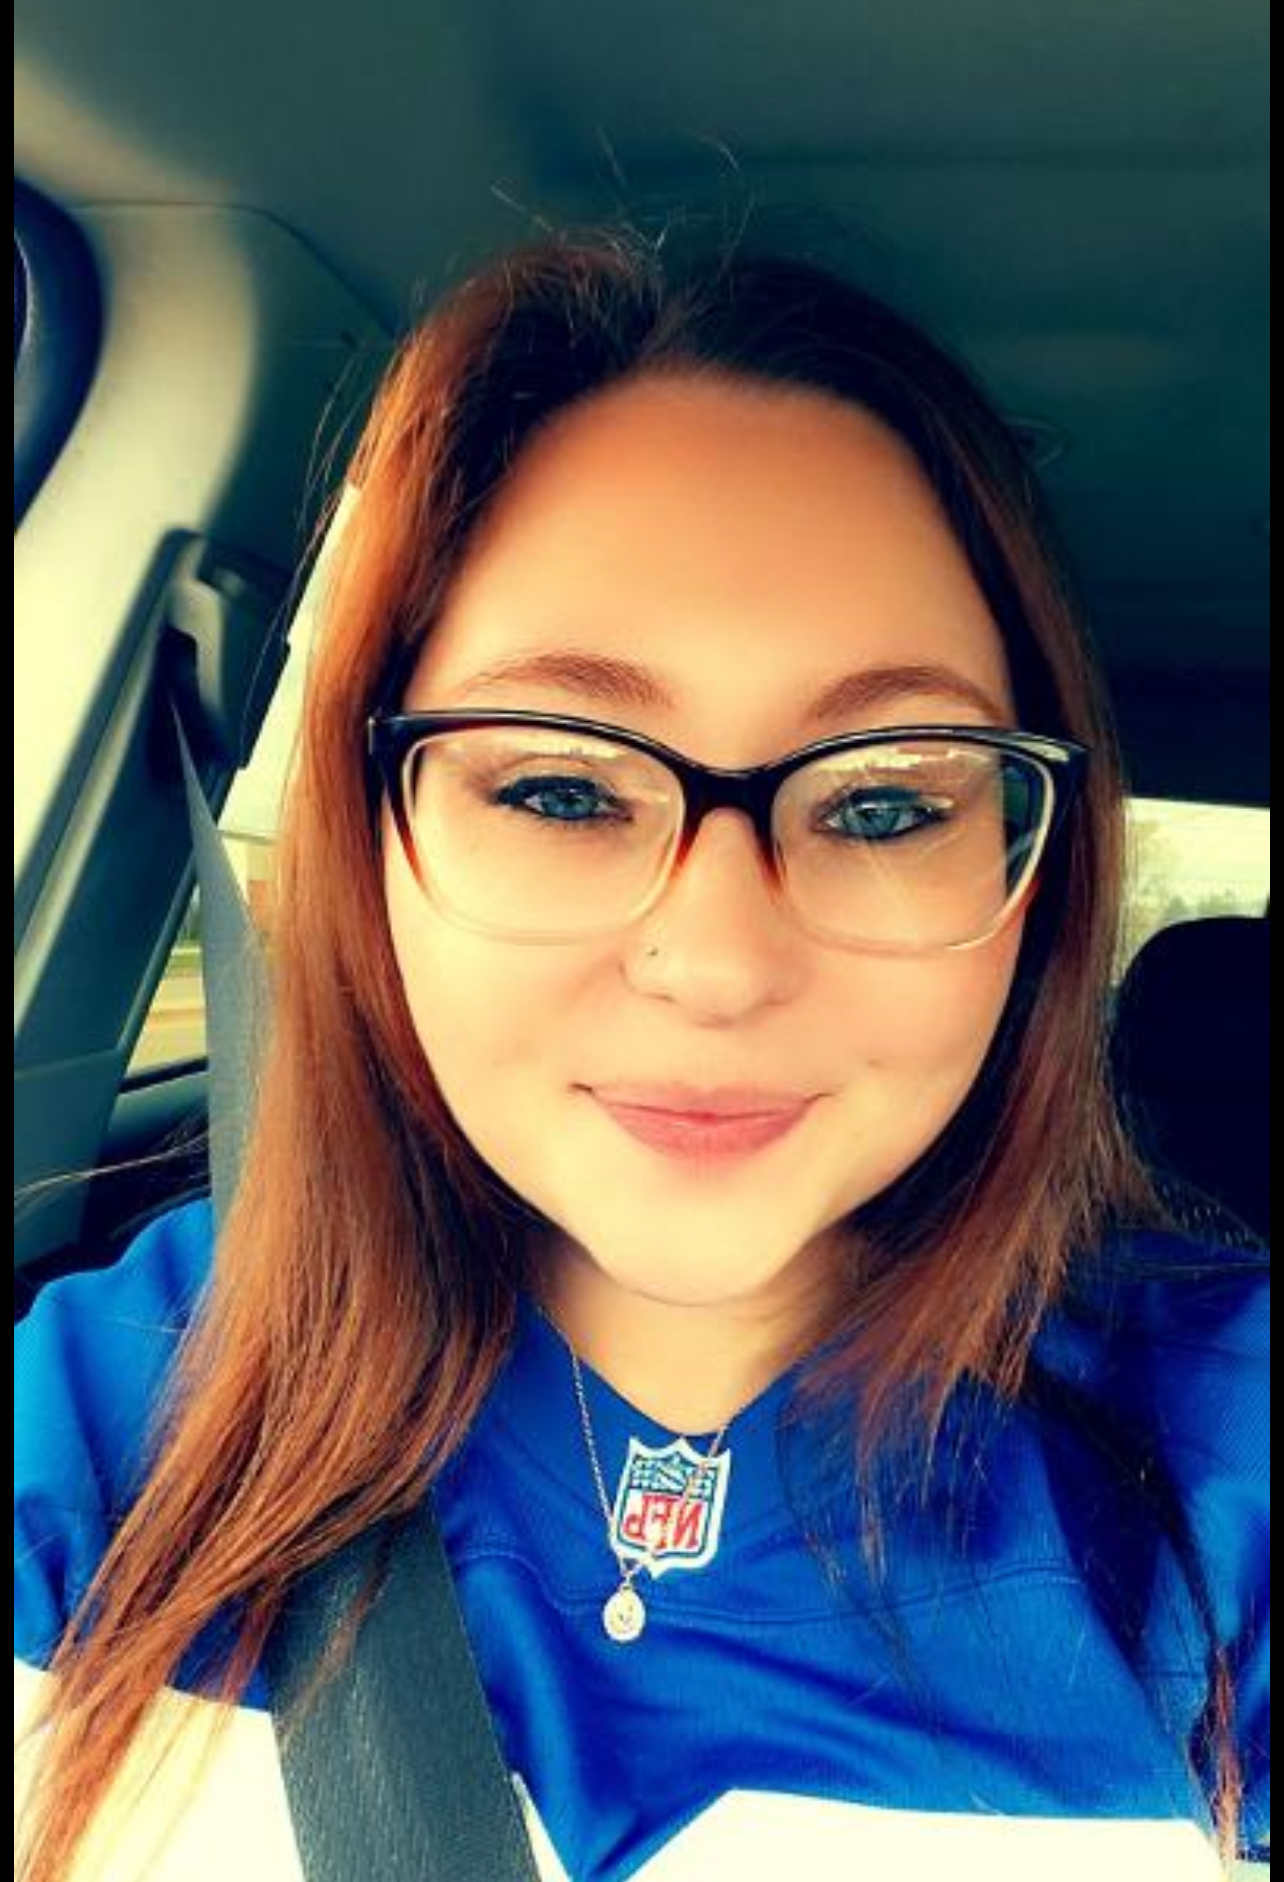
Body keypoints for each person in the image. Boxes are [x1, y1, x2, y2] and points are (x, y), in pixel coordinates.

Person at [15, 226, 1268, 1881]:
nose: (718, 963)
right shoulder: (111, 1404)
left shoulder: (1230, 1468)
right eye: (557, 787)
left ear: (1033, 874)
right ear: (375, 833)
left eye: (883, 803)